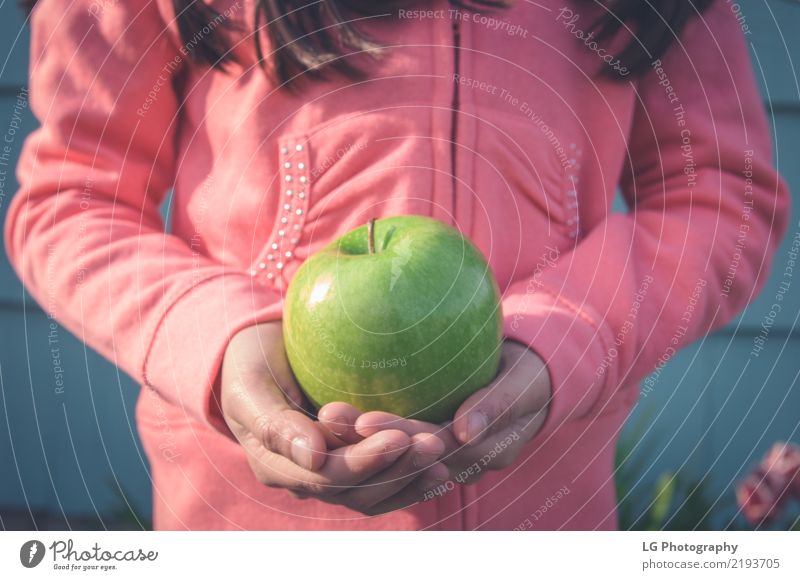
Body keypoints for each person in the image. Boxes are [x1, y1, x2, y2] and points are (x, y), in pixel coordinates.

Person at [5, 0, 790, 530]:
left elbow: (723, 194)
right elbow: (74, 198)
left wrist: (573, 330)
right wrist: (216, 340)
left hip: (546, 523)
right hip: (241, 523)